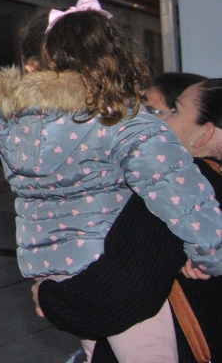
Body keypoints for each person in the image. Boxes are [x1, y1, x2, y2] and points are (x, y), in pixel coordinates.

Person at [0, 0, 222, 362]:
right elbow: (181, 195)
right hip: (115, 274)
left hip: (56, 276)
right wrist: (209, 255)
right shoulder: (124, 123)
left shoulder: (11, 125)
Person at [36, 78, 222, 363]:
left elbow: (124, 291)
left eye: (175, 110)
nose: (159, 120)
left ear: (204, 134)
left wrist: (49, 297)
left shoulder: (181, 184)